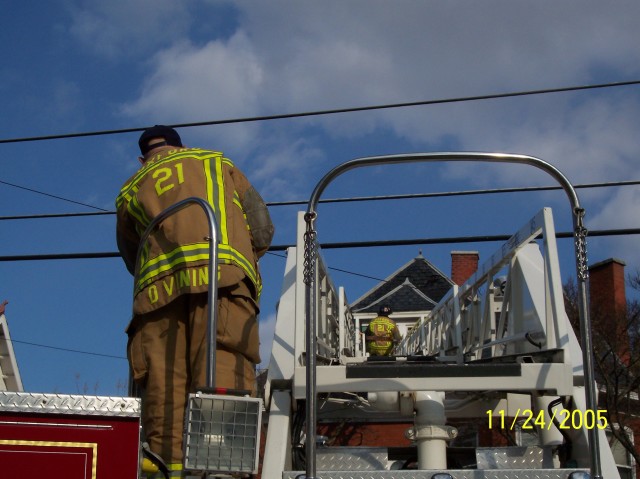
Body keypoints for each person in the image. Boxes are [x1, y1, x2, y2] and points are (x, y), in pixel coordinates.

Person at [115, 125, 274, 476]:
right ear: (179, 146)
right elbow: (263, 228)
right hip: (225, 287)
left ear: (143, 158)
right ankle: (220, 472)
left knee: (164, 394)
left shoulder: (130, 189)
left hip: (157, 303)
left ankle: (166, 471)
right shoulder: (216, 163)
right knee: (221, 378)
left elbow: (132, 258)